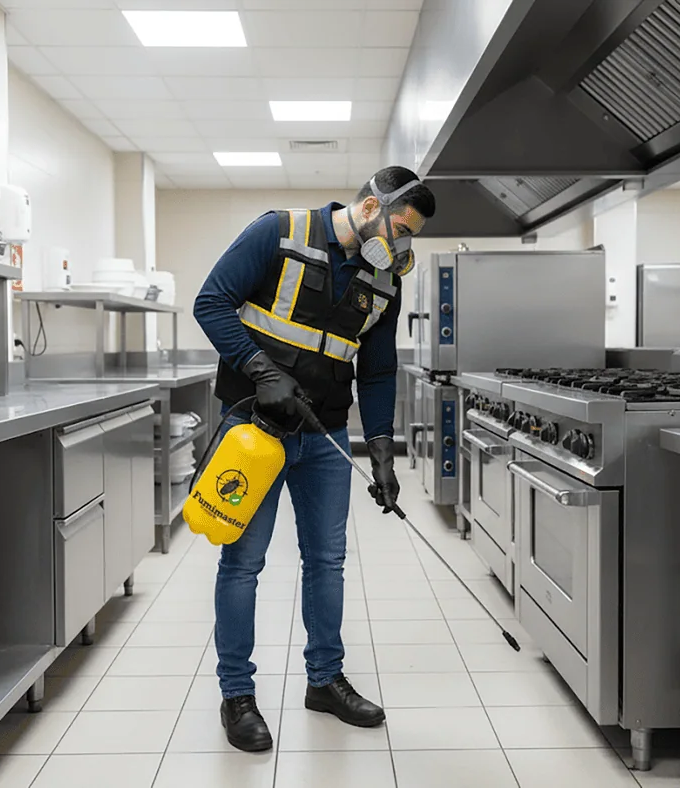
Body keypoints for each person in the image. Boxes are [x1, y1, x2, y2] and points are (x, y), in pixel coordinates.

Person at [193, 166, 436, 752]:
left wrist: (381, 447)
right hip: (254, 428)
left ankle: (324, 682)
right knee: (243, 564)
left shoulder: (384, 278)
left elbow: (377, 369)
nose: (402, 245)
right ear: (372, 207)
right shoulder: (278, 231)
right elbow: (211, 303)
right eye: (400, 228)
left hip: (325, 438)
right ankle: (237, 695)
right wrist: (260, 370)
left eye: (411, 238)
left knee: (326, 562)